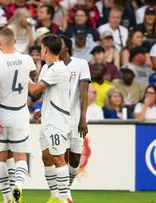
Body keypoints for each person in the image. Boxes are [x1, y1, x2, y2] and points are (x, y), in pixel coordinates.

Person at [0, 27, 36, 203]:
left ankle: (7, 197)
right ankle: (19, 185)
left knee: (0, 156)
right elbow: (31, 78)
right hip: (20, 114)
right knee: (20, 155)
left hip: (0, 113)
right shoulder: (27, 59)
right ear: (15, 41)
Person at [28, 34, 70, 203]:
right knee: (46, 157)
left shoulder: (58, 69)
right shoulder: (47, 68)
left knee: (58, 158)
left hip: (57, 121)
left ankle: (64, 198)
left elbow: (33, 91)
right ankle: (54, 197)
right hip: (47, 118)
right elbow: (41, 94)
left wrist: (24, 75)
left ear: (45, 49)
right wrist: (42, 110)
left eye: (41, 48)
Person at [59, 34, 91, 203]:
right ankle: (65, 195)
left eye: (60, 43)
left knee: (75, 159)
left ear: (67, 48)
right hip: (58, 120)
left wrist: (83, 118)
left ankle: (66, 189)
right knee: (61, 158)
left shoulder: (81, 64)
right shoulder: (52, 65)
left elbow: (84, 92)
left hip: (76, 118)